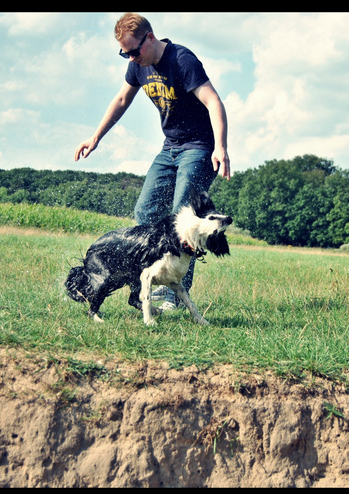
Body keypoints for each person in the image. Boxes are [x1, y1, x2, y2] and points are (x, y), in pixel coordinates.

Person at [73, 12, 235, 314]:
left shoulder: (182, 60)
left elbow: (213, 100)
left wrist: (221, 147)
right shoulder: (138, 67)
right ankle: (146, 281)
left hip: (198, 148)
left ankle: (175, 292)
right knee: (145, 211)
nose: (131, 58)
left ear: (150, 38)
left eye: (134, 51)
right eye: (125, 53)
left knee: (183, 220)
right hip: (170, 148)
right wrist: (95, 137)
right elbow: (121, 100)